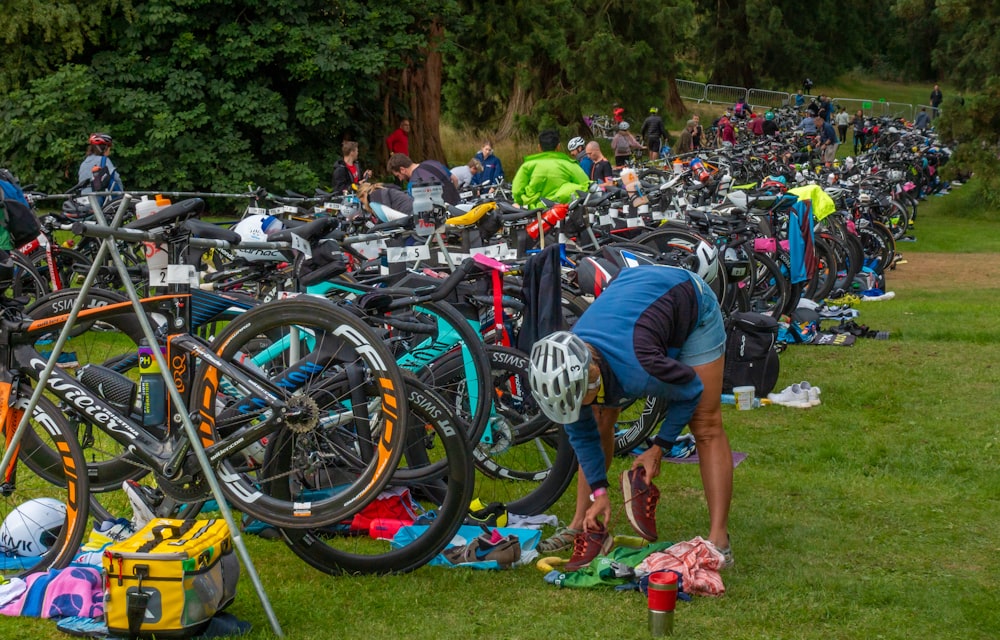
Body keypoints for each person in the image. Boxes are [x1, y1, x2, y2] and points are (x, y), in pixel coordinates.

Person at [528, 265, 733, 570]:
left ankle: (719, 541)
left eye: (578, 400)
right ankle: (583, 521)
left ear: (592, 374)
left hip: (688, 296)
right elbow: (582, 434)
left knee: (705, 423)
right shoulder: (570, 362)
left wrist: (658, 448)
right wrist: (600, 490)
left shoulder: (638, 370)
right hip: (633, 298)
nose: (576, 410)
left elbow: (691, 388)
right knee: (596, 420)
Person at [511, 129, 590, 209]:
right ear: (558, 147)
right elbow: (586, 185)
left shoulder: (527, 166)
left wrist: (521, 203)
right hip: (563, 212)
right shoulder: (570, 164)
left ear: (539, 147)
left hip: (535, 211)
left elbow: (516, 191)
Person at [386, 153, 461, 205]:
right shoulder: (433, 163)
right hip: (458, 204)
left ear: (402, 169)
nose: (400, 179)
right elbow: (455, 179)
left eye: (398, 176)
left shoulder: (413, 184)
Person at [79, 133, 124, 198]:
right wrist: (121, 196)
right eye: (109, 147)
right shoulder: (104, 160)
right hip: (98, 199)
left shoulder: (84, 163)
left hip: (83, 198)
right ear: (105, 148)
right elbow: (116, 179)